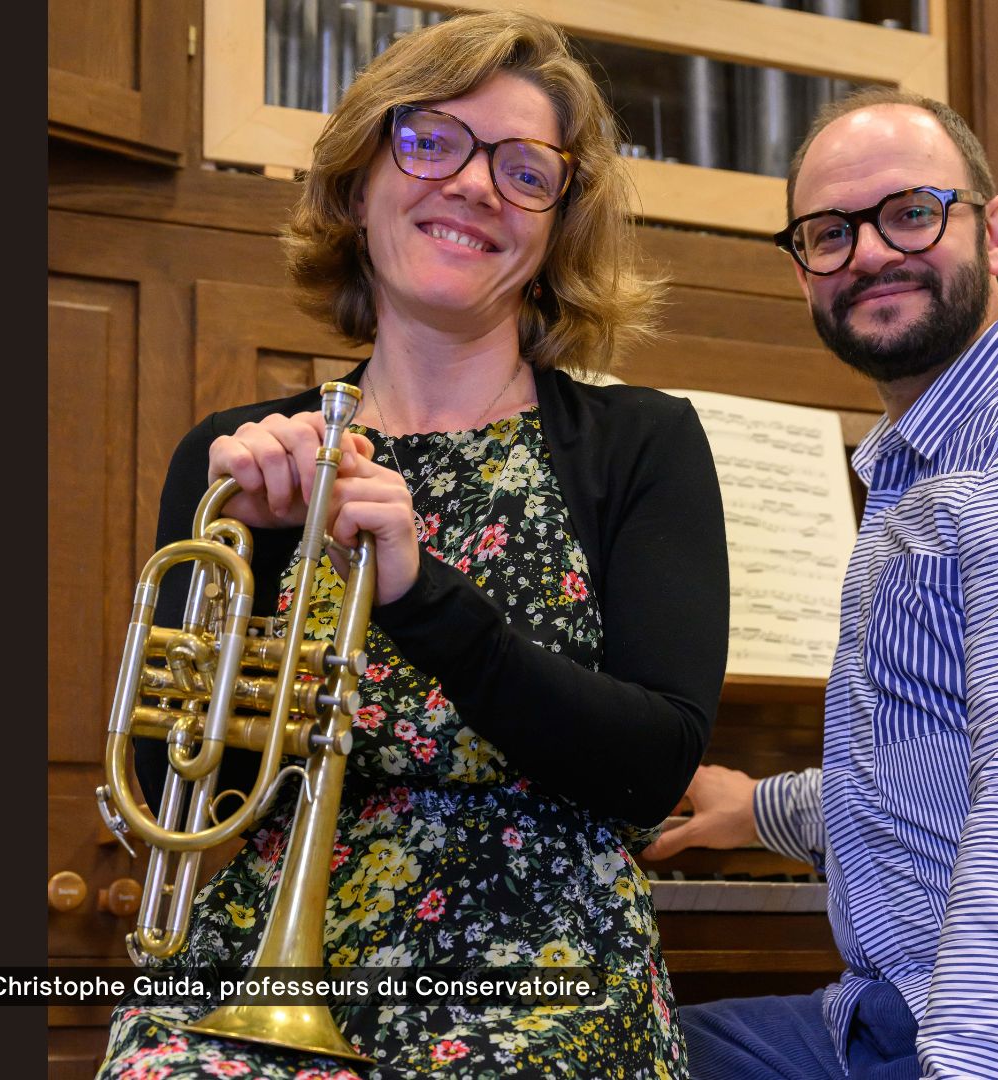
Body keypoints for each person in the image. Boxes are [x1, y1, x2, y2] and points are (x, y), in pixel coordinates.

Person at [97, 12, 728, 1079]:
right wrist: (248, 567)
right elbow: (173, 798)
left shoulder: (640, 442)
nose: (477, 186)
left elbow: (652, 769)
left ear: (554, 229)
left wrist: (423, 597)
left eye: (527, 170)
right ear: (357, 183)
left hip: (540, 963)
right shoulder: (237, 461)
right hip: (252, 957)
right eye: (432, 141)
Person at [647, 87, 998, 1080]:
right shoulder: (929, 460)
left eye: (910, 213)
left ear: (993, 232)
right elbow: (935, 771)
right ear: (802, 272)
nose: (868, 251)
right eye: (829, 232)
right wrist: (760, 810)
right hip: (891, 1010)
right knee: (593, 1038)